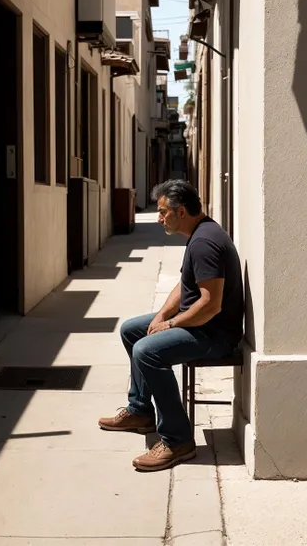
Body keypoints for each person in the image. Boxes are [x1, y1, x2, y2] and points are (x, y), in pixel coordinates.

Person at [99, 179, 244, 472]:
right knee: (132, 329)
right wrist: (161, 316)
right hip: (200, 324)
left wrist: (173, 323)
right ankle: (141, 411)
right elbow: (185, 285)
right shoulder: (199, 234)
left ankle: (177, 440)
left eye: (164, 211)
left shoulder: (204, 242)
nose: (159, 217)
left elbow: (211, 304)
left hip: (215, 334)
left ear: (181, 212)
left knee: (147, 351)